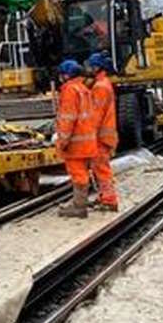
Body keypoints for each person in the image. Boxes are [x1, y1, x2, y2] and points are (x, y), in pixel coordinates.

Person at [55, 59, 97, 218]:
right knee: (83, 173)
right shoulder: (84, 89)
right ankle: (80, 203)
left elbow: (68, 119)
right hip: (87, 141)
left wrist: (62, 141)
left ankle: (79, 207)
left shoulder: (69, 90)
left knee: (78, 174)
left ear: (66, 75)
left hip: (75, 143)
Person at [85, 52, 119, 211]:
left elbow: (96, 114)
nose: (88, 69)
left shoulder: (100, 87)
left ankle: (109, 200)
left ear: (97, 67)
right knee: (100, 168)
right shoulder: (105, 84)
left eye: (90, 66)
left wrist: (88, 133)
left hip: (100, 136)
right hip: (105, 135)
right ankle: (104, 197)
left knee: (101, 169)